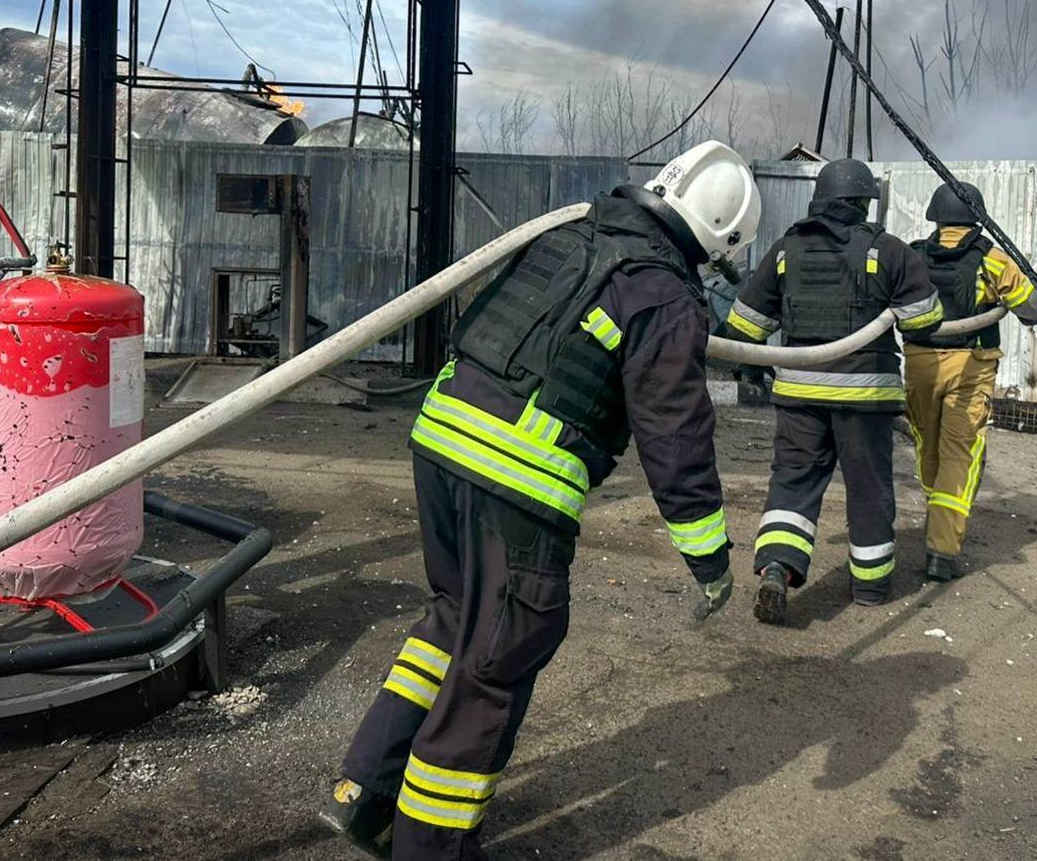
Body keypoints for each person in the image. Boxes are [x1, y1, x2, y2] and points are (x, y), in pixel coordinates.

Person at [321, 141, 762, 858]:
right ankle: (428, 847)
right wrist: (710, 558)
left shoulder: (567, 235)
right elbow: (675, 435)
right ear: (718, 240)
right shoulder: (665, 295)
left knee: (455, 619)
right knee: (496, 660)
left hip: (439, 441)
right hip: (515, 481)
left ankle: (364, 791)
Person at [722, 158, 942, 624]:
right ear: (862, 204)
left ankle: (777, 566)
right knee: (868, 489)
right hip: (864, 400)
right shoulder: (890, 251)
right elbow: (925, 321)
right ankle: (870, 585)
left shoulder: (785, 251)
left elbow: (743, 324)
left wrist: (749, 369)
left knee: (793, 482)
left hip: (799, 394)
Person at [904, 181, 1037, 581]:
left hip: (919, 366)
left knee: (928, 448)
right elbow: (1034, 312)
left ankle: (937, 520)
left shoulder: (911, 257)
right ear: (976, 218)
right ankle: (942, 551)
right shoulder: (995, 261)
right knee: (960, 454)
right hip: (970, 368)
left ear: (936, 216)